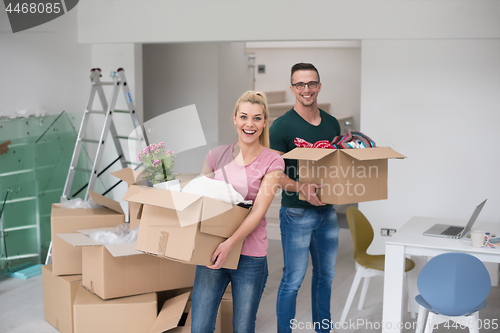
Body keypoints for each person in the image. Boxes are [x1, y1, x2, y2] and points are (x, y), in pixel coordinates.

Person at [191, 91, 285, 333]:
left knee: (243, 327)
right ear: (235, 118)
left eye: (256, 118)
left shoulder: (273, 161)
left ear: (264, 122)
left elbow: (257, 211)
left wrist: (230, 243)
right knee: (200, 326)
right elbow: (200, 199)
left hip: (250, 255)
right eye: (244, 117)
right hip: (211, 251)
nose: (249, 124)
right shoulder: (215, 156)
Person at [270, 63, 341, 333]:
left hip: (328, 213)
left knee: (326, 277)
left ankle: (323, 330)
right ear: (292, 89)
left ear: (319, 86)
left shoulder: (331, 123)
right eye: (300, 84)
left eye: (311, 83)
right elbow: (273, 176)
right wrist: (301, 187)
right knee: (293, 280)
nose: (306, 89)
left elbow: (336, 167)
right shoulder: (282, 126)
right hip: (296, 214)